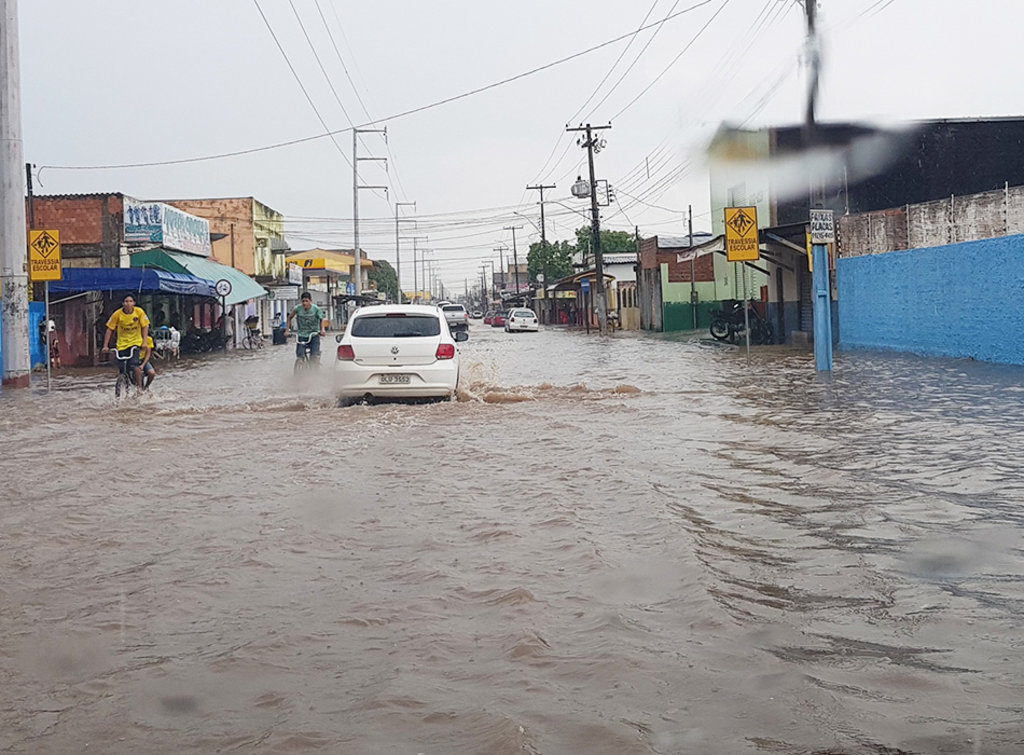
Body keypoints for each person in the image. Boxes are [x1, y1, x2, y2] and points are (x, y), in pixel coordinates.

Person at [101, 295, 150, 393]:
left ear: (134, 303)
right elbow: (110, 329)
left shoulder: (139, 312)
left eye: (130, 301)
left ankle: (140, 389)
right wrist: (105, 346)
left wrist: (144, 342)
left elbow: (145, 326)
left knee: (134, 364)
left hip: (135, 342)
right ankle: (123, 385)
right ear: (123, 303)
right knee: (122, 368)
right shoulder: (117, 314)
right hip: (122, 344)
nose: (128, 303)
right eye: (126, 301)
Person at [285, 291, 328, 363]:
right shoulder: (297, 309)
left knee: (314, 356)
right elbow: (289, 318)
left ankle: (315, 370)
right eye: (303, 301)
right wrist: (287, 330)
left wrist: (322, 330)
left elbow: (321, 319)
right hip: (301, 335)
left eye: (306, 301)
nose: (304, 303)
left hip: (313, 334)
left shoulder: (316, 309)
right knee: (300, 355)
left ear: (310, 301)